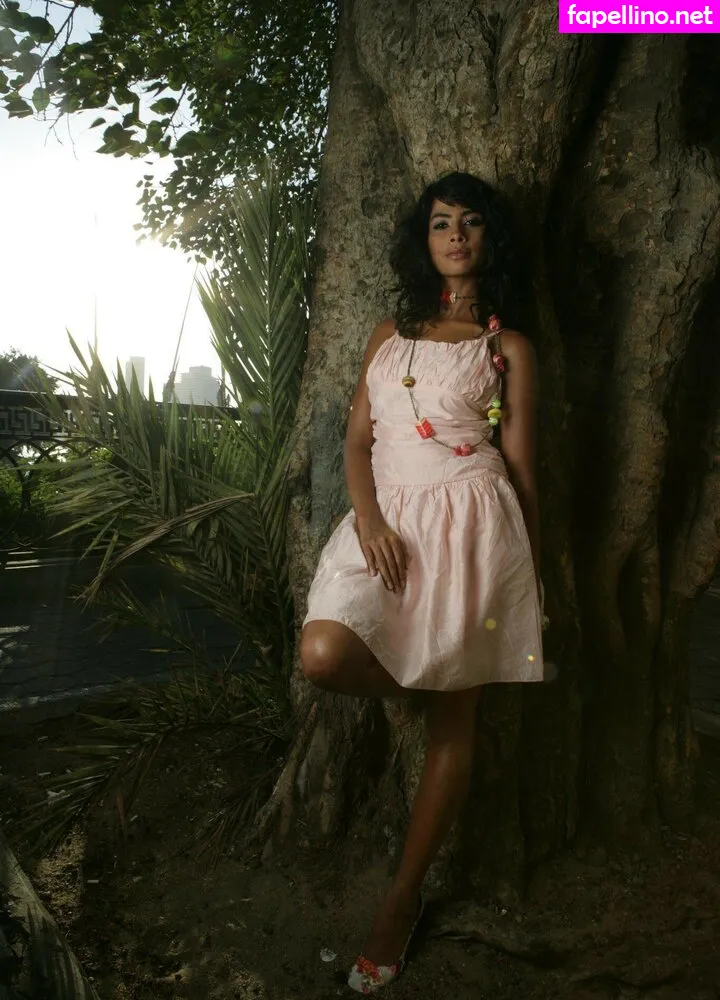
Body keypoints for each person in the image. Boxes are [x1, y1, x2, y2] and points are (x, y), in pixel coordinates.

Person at [299, 171, 546, 993]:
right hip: (391, 522)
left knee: (454, 721)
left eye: (471, 221)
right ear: (424, 239)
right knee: (323, 654)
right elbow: (356, 443)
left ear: (489, 237)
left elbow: (522, 468)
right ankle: (429, 671)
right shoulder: (389, 335)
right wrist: (368, 521)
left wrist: (530, 581)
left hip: (475, 526)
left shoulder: (508, 348)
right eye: (441, 222)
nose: (456, 234)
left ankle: (400, 902)